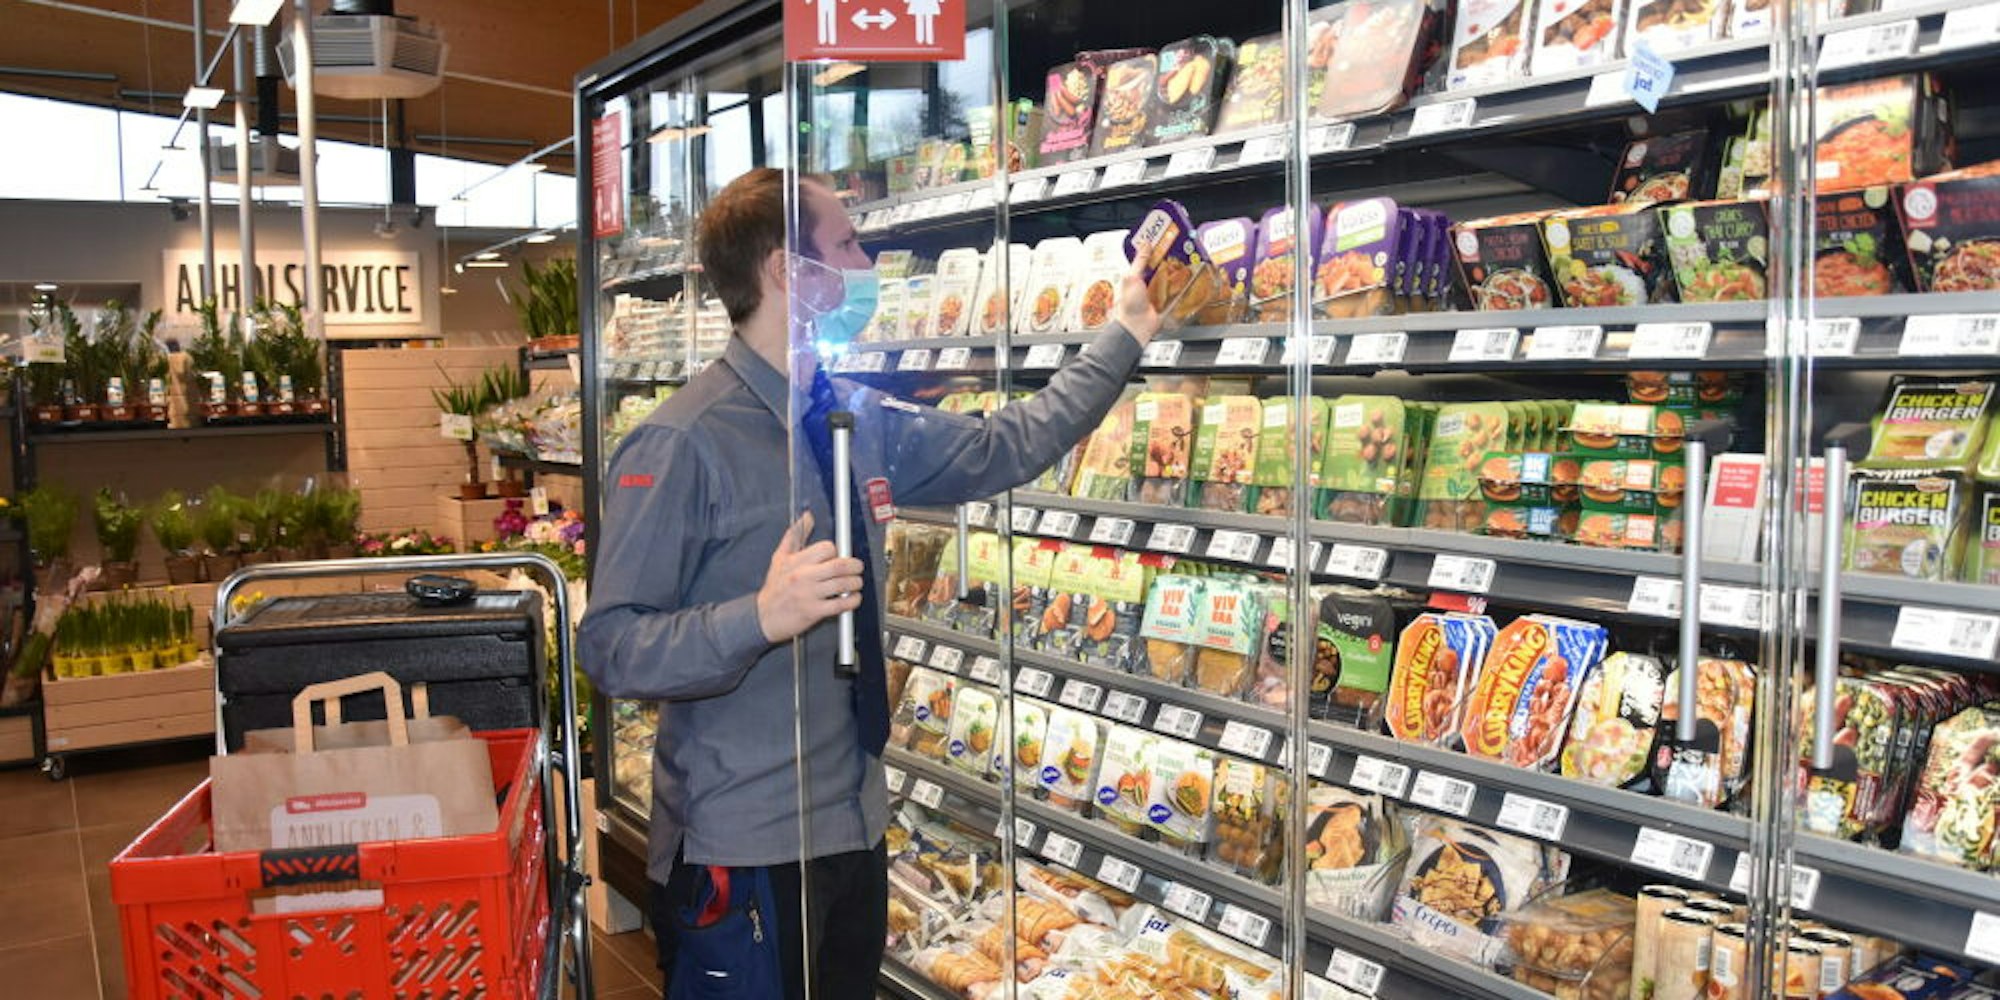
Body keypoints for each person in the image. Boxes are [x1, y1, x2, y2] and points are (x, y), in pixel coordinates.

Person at [578, 166, 1161, 999]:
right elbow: (611, 645)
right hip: (745, 842)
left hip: (853, 825)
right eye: (847, 245)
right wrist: (759, 616)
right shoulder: (682, 442)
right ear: (786, 271)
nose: (866, 263)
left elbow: (1003, 446)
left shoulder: (853, 416)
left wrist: (1126, 331)